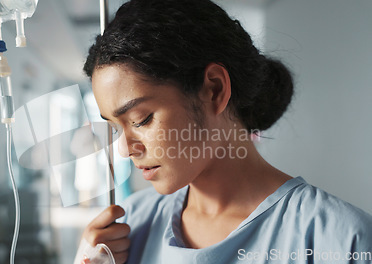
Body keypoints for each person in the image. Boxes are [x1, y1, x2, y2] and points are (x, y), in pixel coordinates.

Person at [76, 0, 372, 263]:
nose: (126, 149)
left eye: (141, 119)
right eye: (115, 127)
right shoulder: (128, 227)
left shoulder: (340, 240)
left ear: (214, 89)